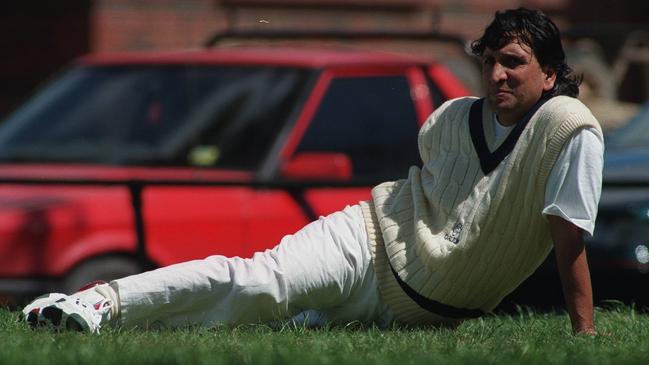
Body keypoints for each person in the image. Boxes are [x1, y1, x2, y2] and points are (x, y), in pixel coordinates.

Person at [23, 7, 602, 335]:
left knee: (263, 320)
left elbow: (567, 232)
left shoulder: (567, 127)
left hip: (420, 309)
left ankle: (80, 313)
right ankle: (97, 303)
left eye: (514, 63)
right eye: (489, 61)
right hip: (370, 240)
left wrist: (584, 337)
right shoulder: (451, 118)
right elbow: (428, 199)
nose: (497, 74)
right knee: (259, 282)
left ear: (550, 74)